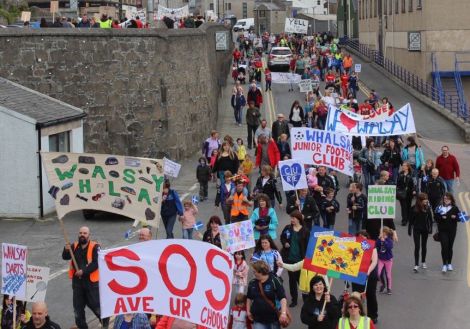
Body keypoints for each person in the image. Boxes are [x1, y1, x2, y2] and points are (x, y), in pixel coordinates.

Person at [61, 226, 109, 329]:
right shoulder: (74, 246)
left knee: (96, 307)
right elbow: (65, 257)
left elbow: (96, 263)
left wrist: (83, 271)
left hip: (91, 284)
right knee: (78, 311)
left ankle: (105, 324)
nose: (82, 235)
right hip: (78, 285)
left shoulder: (95, 247)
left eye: (85, 233)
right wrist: (66, 250)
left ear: (89, 235)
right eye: (80, 233)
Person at [280, 210, 310, 307]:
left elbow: (309, 245)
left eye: (294, 218)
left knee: (301, 280)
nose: (292, 220)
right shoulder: (288, 228)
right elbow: (282, 237)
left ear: (299, 219)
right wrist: (285, 243)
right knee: (292, 280)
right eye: (291, 218)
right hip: (289, 258)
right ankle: (294, 299)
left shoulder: (305, 231)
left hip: (301, 259)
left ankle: (305, 297)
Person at [246, 261, 288, 328]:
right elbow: (249, 298)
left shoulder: (274, 280)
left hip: (273, 319)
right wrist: (248, 311)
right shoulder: (252, 282)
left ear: (261, 272)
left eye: (254, 272)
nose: (253, 273)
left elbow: (282, 297)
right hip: (258, 319)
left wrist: (283, 313)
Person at [350, 231, 378, 324]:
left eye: (363, 236)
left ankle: (373, 315)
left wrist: (368, 271)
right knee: (357, 295)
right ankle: (358, 314)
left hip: (370, 274)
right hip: (357, 274)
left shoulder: (372, 246)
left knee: (370, 294)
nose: (361, 238)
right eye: (359, 237)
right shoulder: (354, 246)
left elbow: (374, 261)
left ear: (367, 237)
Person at [435, 193, 461, 273]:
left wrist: (455, 217)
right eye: (445, 198)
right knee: (444, 247)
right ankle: (444, 265)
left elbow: (460, 218)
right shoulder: (439, 208)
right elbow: (435, 217)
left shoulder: (455, 208)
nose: (446, 200)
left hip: (452, 231)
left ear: (451, 200)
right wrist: (441, 217)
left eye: (448, 199)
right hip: (443, 230)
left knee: (450, 247)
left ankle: (449, 263)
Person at [409, 193, 433, 273]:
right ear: (420, 200)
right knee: (417, 246)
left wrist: (430, 229)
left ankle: (423, 261)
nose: (426, 200)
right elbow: (411, 220)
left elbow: (430, 219)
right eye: (424, 199)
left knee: (424, 246)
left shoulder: (428, 208)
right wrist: (409, 229)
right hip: (416, 229)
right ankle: (416, 264)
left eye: (426, 199)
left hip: (425, 229)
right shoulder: (414, 208)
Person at [397, 162, 416, 226]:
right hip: (402, 192)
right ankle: (404, 220)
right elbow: (398, 183)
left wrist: (414, 190)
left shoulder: (412, 174)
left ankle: (408, 218)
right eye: (402, 165)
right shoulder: (400, 174)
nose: (403, 167)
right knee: (403, 206)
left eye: (404, 166)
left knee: (408, 206)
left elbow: (414, 183)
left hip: (409, 192)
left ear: (407, 167)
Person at [376, 227, 394, 295]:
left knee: (388, 275)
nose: (380, 233)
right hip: (381, 259)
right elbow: (376, 244)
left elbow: (389, 247)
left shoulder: (389, 240)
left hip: (388, 260)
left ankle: (389, 288)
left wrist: (384, 241)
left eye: (381, 232)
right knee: (378, 273)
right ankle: (383, 284)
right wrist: (379, 239)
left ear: (385, 233)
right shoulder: (380, 239)